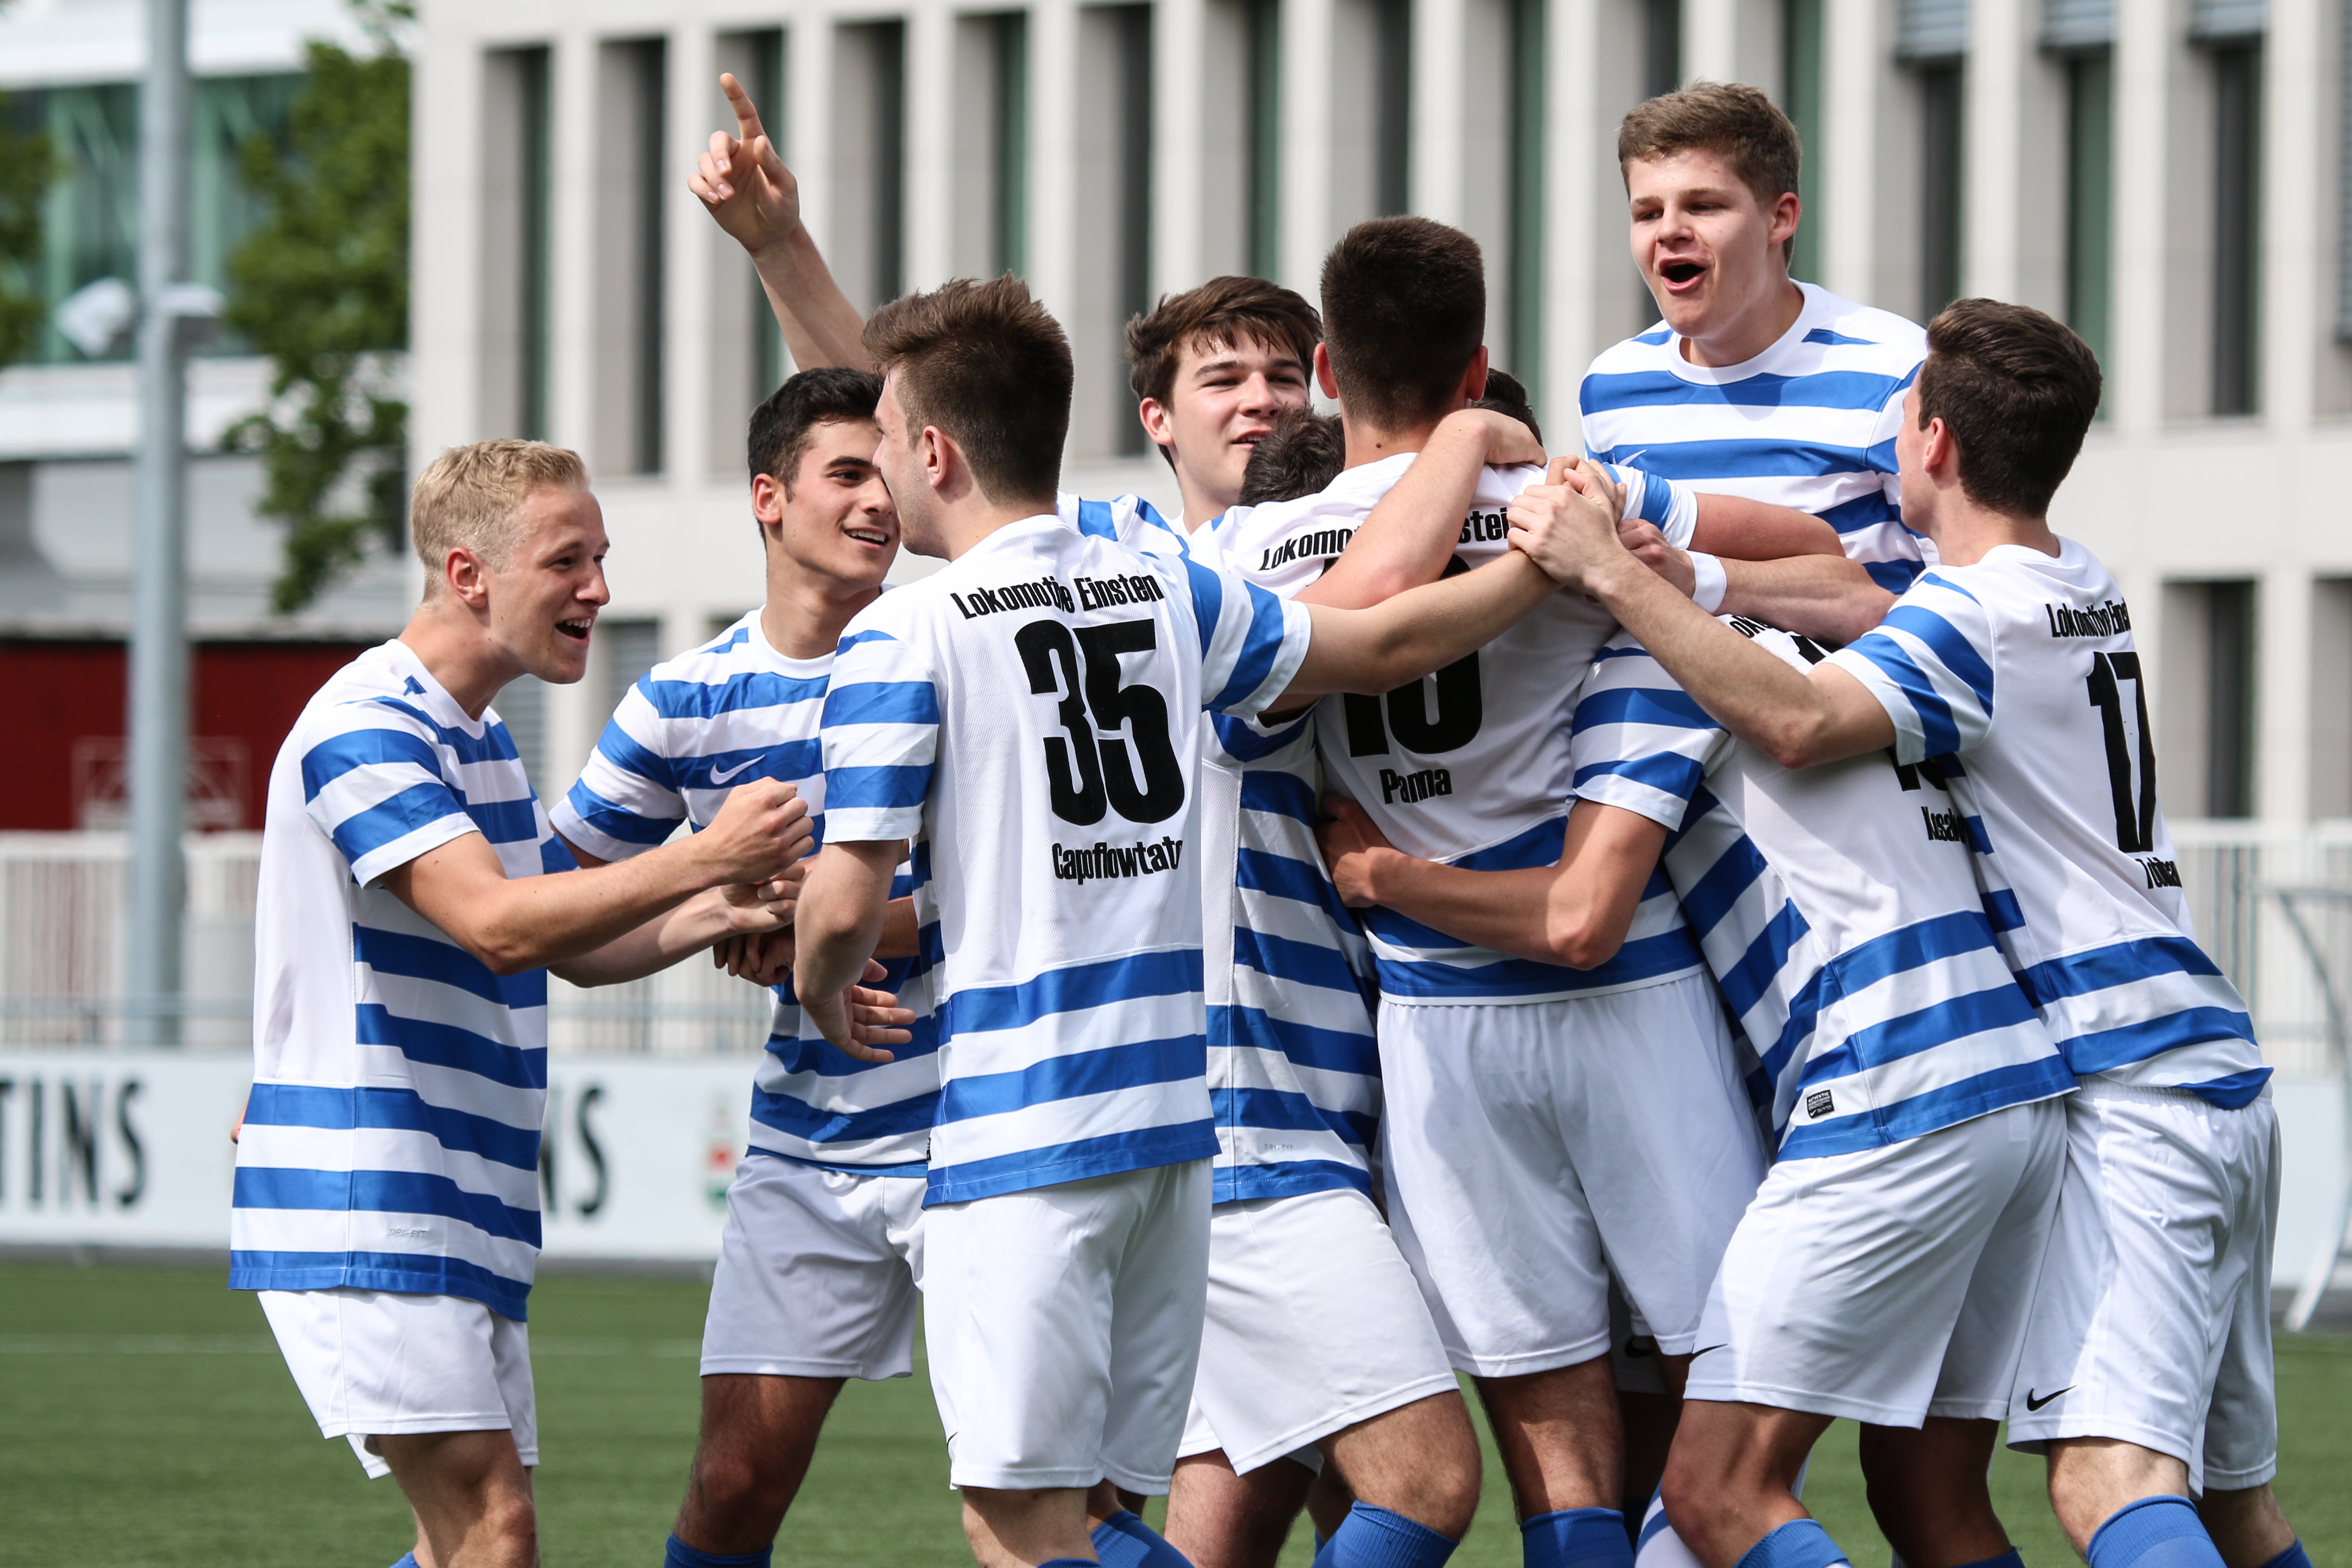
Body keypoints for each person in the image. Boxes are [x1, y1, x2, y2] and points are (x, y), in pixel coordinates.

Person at [788, 275, 1595, 1568]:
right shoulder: (1162, 588)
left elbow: (843, 899)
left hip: (1028, 1130)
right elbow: (1383, 640)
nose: (877, 475)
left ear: (931, 451)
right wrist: (1540, 569)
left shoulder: (903, 634)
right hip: (1178, 1124)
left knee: (1031, 1519)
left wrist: (821, 979)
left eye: (884, 442)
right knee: (1131, 1509)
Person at [1508, 298, 2309, 1568]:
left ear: (1933, 443)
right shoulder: (2072, 576)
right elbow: (1850, 594)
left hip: (2120, 1079)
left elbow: (1798, 721)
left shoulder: (1969, 614)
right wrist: (1687, 572)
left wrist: (1607, 573)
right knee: (2226, 1506)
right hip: (2204, 1057)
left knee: (2104, 1480)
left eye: (1900, 418)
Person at [1323, 495, 2077, 1568]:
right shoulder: (1817, 633)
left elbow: (1579, 918)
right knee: (1929, 1499)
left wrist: (1385, 876)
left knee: (1716, 1489)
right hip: (2017, 1082)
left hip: (1885, 1085)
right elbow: (1843, 570)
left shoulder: (1650, 665)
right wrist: (1683, 569)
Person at [231, 441, 822, 1568]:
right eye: (567, 561)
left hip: (455, 1196)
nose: (598, 588)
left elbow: (569, 943)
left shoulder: (482, 738)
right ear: (468, 574)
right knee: (493, 1529)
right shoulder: (366, 723)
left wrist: (724, 908)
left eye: (599, 557)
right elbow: (497, 923)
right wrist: (704, 856)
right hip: (372, 1190)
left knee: (465, 1538)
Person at [545, 370, 942, 1568]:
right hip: (813, 1135)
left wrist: (828, 924)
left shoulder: (954, 650)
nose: (878, 502)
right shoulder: (682, 698)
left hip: (985, 1117)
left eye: (887, 473)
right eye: (846, 474)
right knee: (730, 1486)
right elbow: (563, 922)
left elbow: (1031, 890)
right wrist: (717, 904)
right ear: (768, 497)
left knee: (1048, 1490)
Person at [1580, 82, 1928, 643]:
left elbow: (1966, 598)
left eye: (1703, 206)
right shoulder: (1610, 384)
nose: (1669, 230)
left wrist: (1706, 579)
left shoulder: (1900, 367)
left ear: (1780, 218)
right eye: (1648, 212)